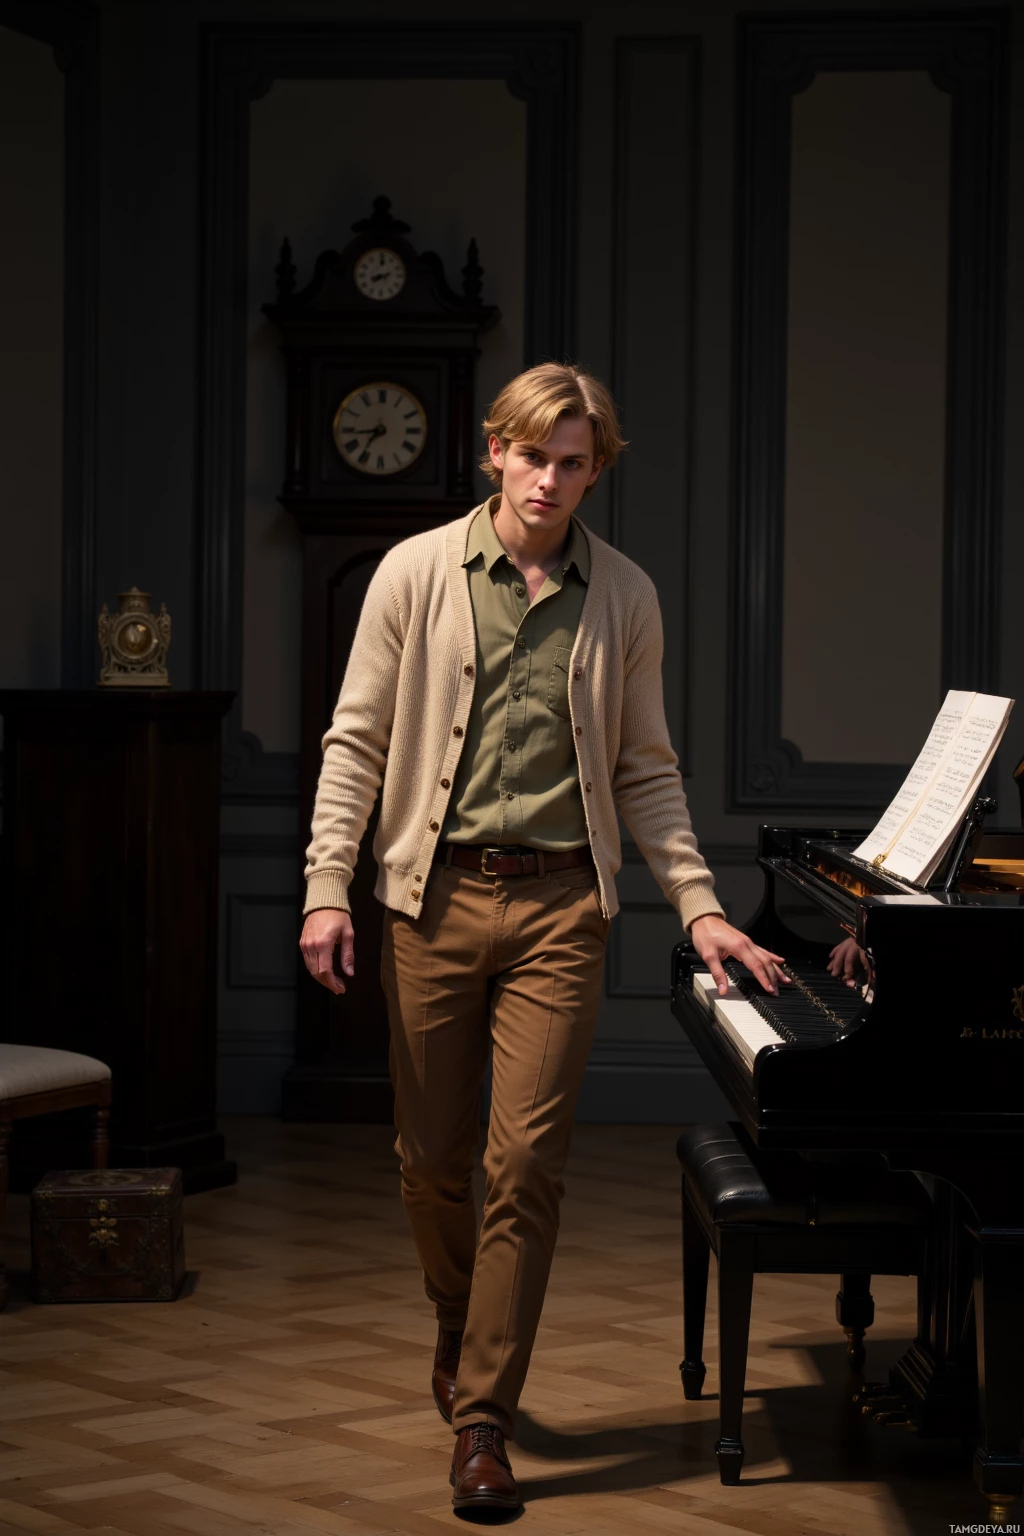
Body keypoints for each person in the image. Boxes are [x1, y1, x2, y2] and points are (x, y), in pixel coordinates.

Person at [299, 362, 787, 1513]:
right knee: (430, 1163)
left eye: (574, 463)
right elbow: (354, 745)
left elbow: (647, 771)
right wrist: (329, 886)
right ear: (494, 451)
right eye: (533, 456)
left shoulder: (624, 596)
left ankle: (481, 1420)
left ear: (595, 470)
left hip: (563, 910)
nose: (550, 480)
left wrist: (701, 904)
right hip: (429, 902)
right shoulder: (412, 576)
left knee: (523, 1165)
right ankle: (457, 1317)